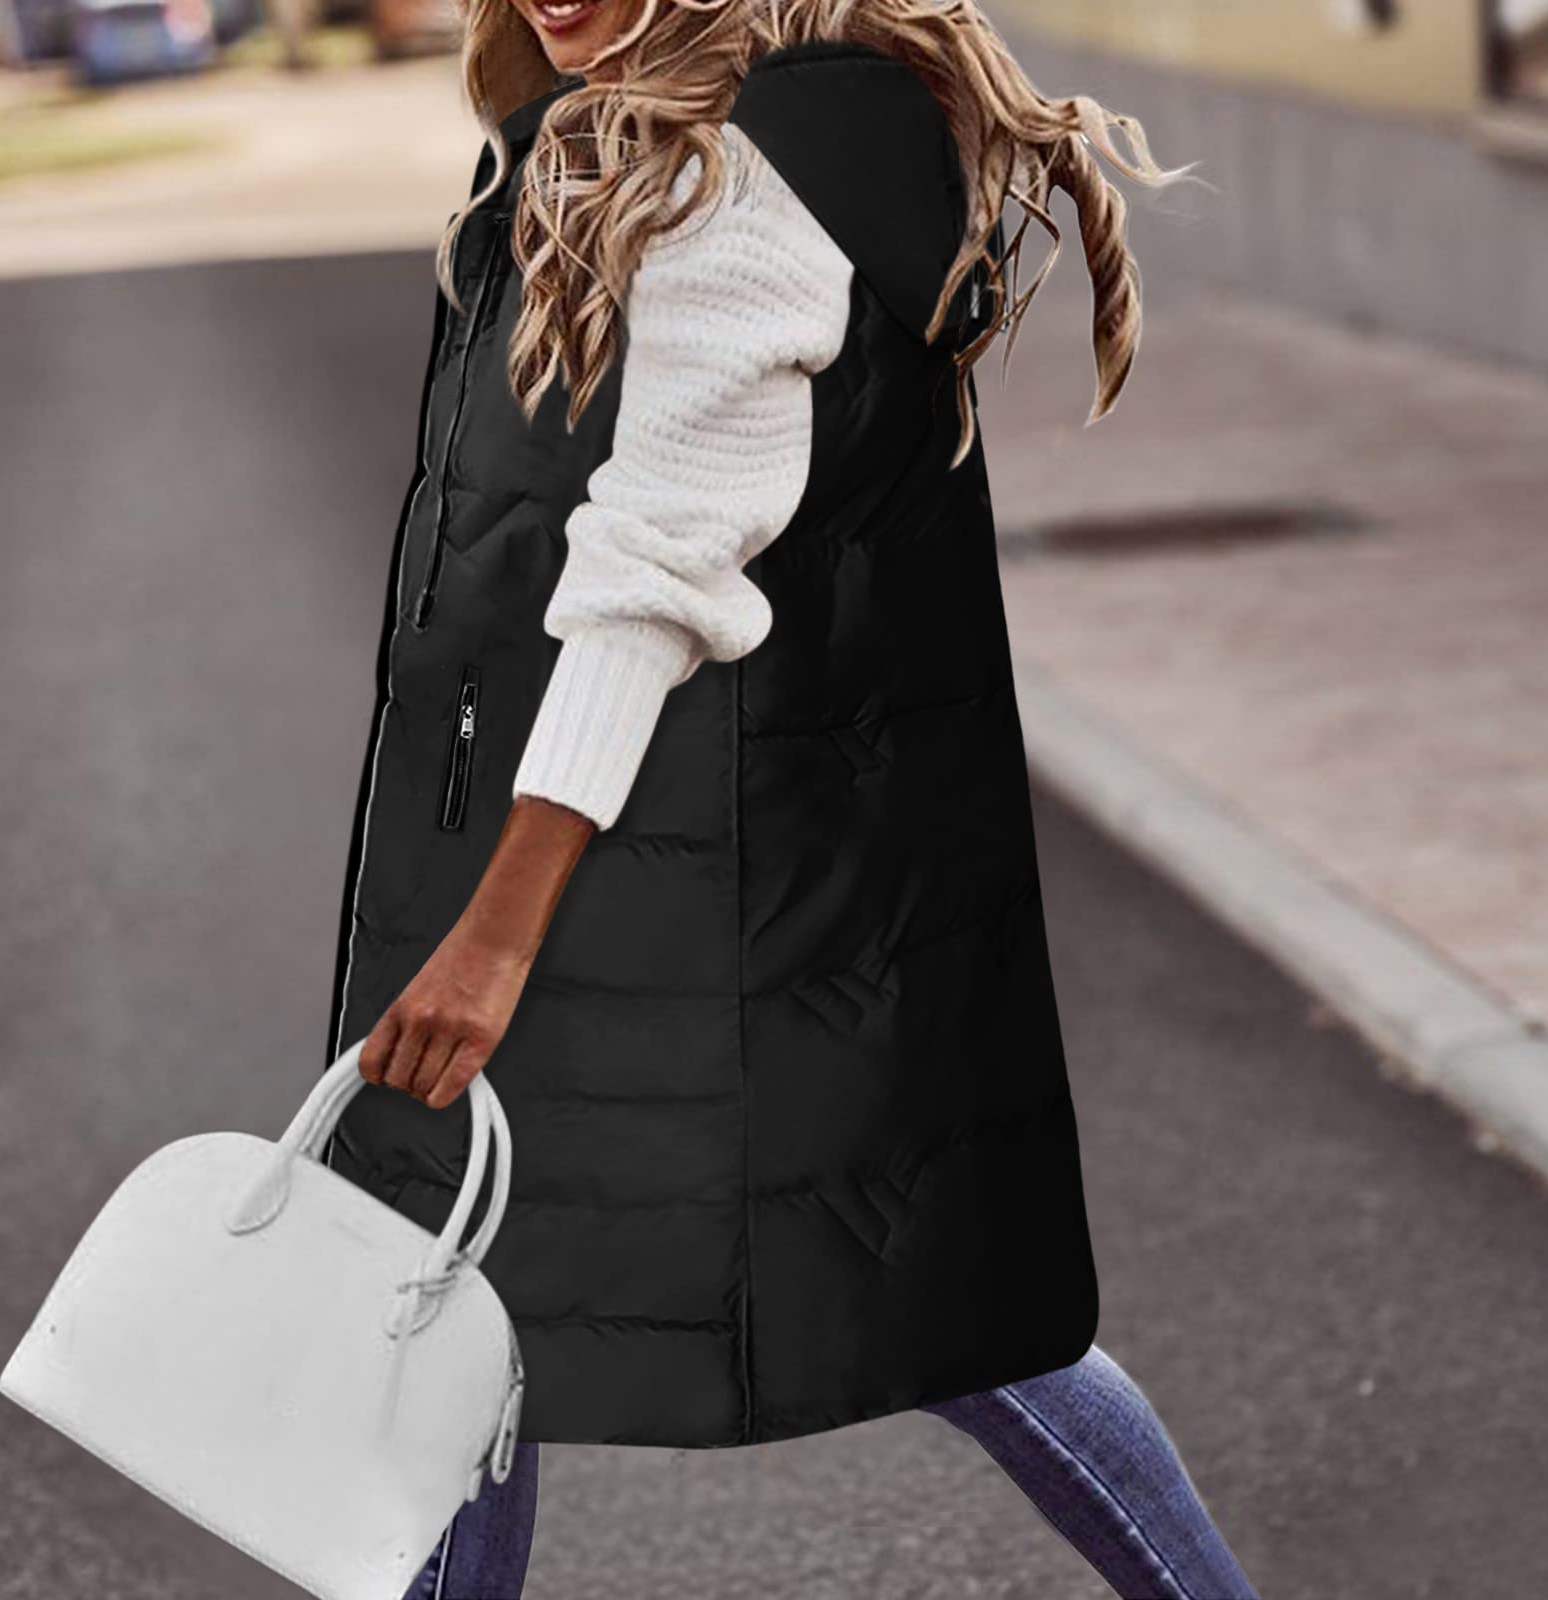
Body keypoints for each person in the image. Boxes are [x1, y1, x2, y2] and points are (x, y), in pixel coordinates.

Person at [319, 0, 1259, 1595]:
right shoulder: (597, 149)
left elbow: (652, 576)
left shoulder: (745, 182)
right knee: (480, 1308)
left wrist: (489, 936)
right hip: (637, 836)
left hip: (705, 879)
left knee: (946, 1315)